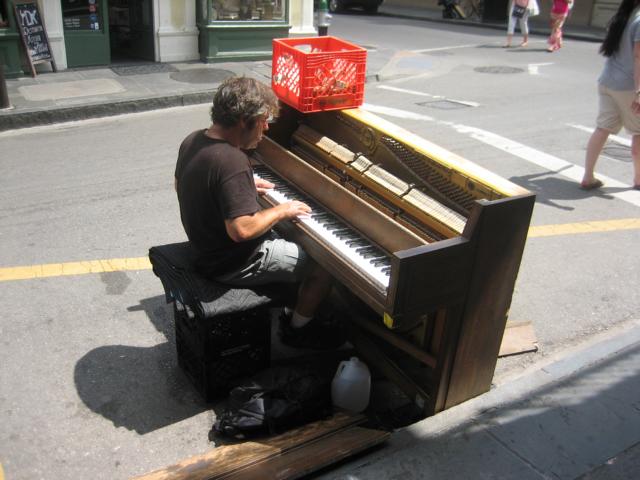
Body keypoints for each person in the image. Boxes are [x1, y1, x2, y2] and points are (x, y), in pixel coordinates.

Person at [174, 76, 343, 347]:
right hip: (232, 263)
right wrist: (282, 210)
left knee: (297, 241)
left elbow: (181, 183)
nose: (266, 127)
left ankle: (292, 305)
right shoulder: (233, 160)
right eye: (264, 120)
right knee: (326, 264)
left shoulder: (193, 140)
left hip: (205, 248)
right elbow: (241, 230)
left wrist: (238, 187)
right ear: (245, 121)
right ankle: (297, 329)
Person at [580, 0, 640, 191]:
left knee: (602, 128)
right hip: (628, 86)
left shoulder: (624, 16)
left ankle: (588, 176)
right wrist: (639, 91)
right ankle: (639, 179)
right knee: (638, 132)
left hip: (607, 81)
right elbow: (638, 57)